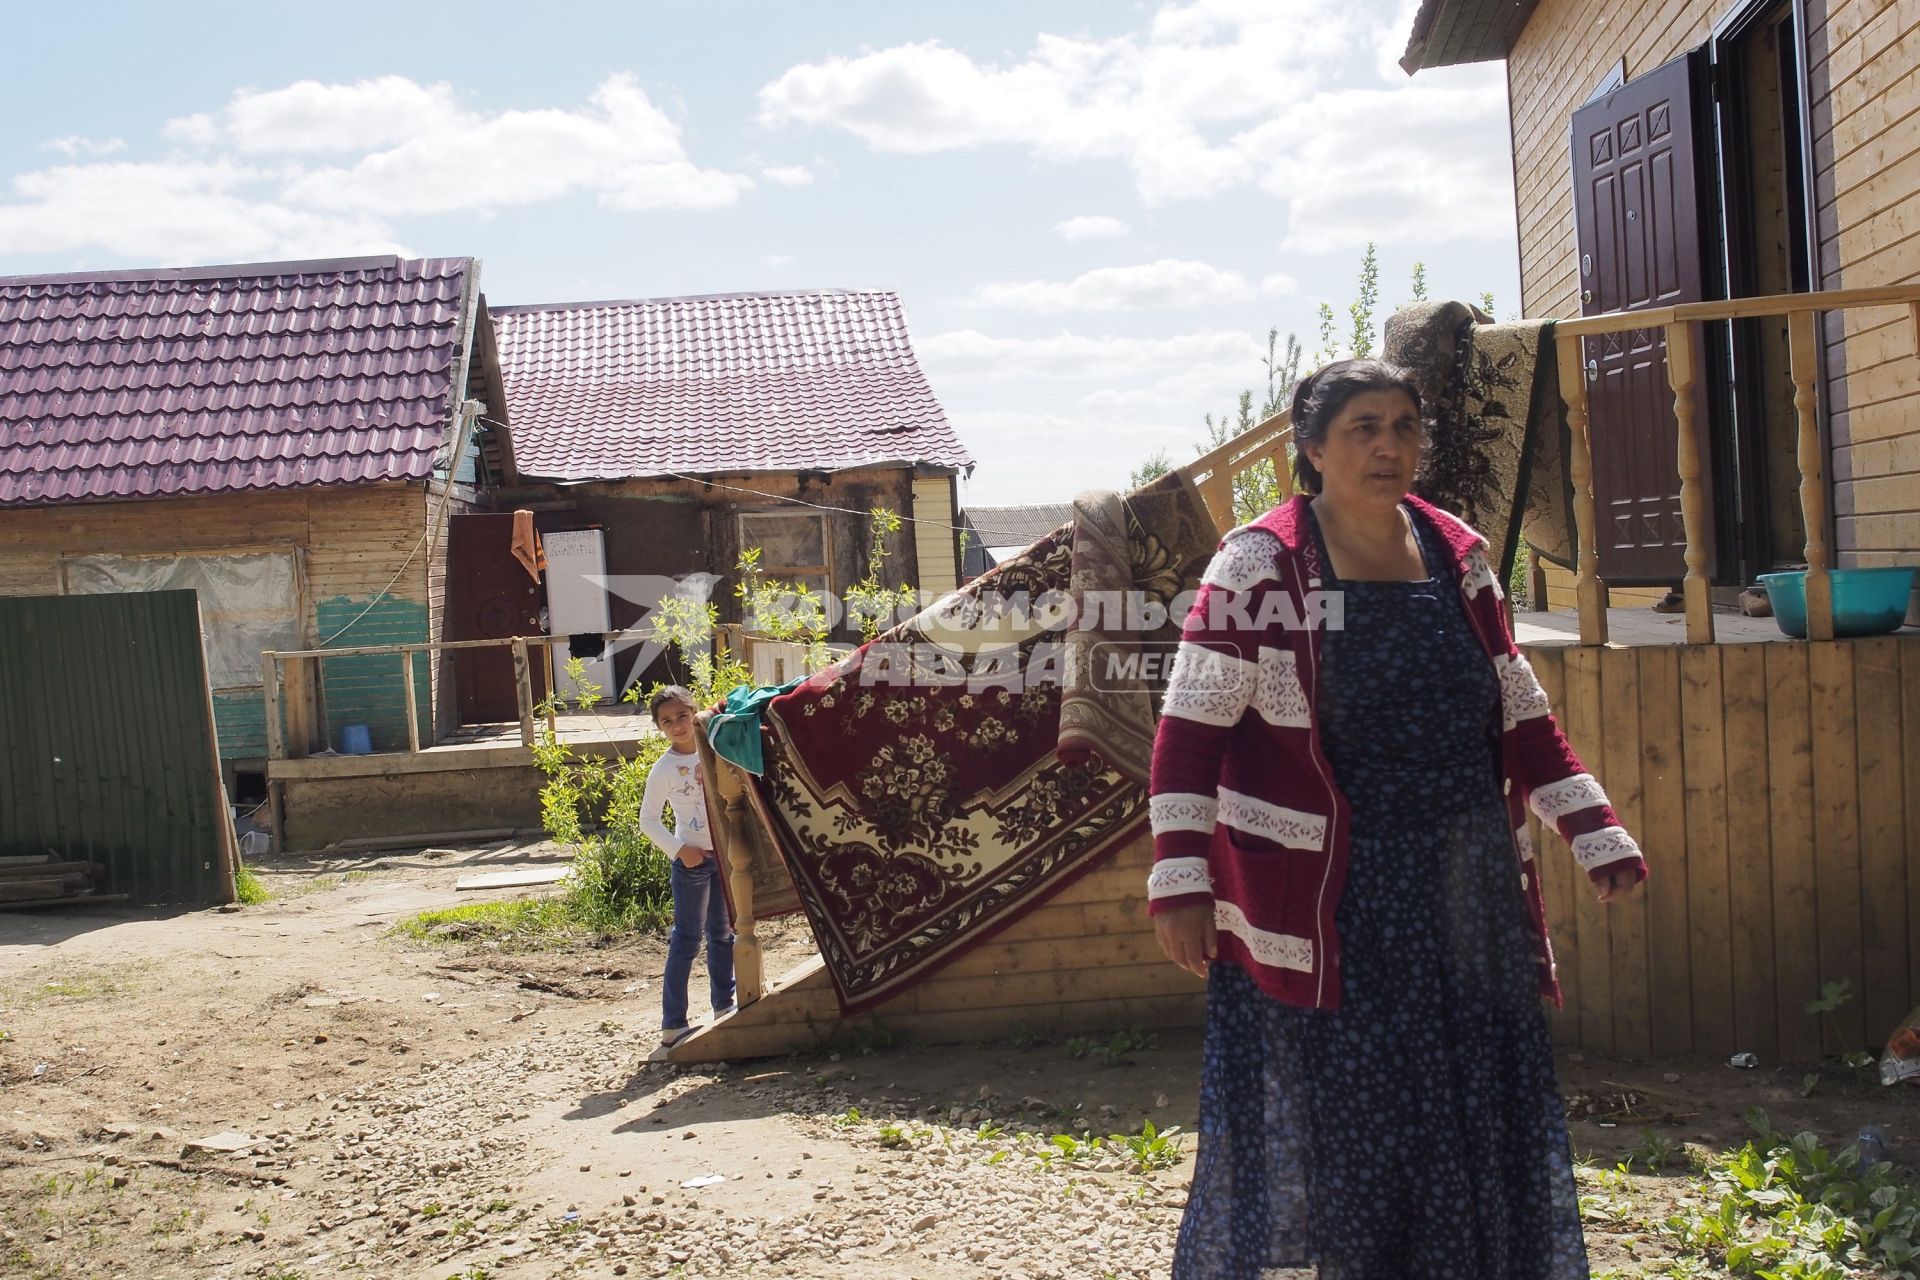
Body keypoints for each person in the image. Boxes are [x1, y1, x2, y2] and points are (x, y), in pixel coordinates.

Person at [1148, 359, 1646, 1280]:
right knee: (1367, 1112)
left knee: (1472, 1103)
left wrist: (1590, 828)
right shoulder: (1259, 563)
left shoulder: (1456, 549)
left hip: (1467, 884)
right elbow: (1187, 735)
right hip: (1337, 898)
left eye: (1405, 426)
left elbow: (1515, 702)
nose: (1389, 446)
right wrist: (1181, 881)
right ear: (1311, 448)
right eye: (1363, 428)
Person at [639, 686, 735, 1047]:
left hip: (724, 858)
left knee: (723, 932)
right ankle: (674, 1023)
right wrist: (680, 851)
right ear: (659, 727)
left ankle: (724, 1005)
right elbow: (648, 820)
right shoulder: (664, 769)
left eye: (683, 715)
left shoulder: (716, 752)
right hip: (692, 864)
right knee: (687, 939)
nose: (678, 725)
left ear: (695, 712)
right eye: (668, 721)